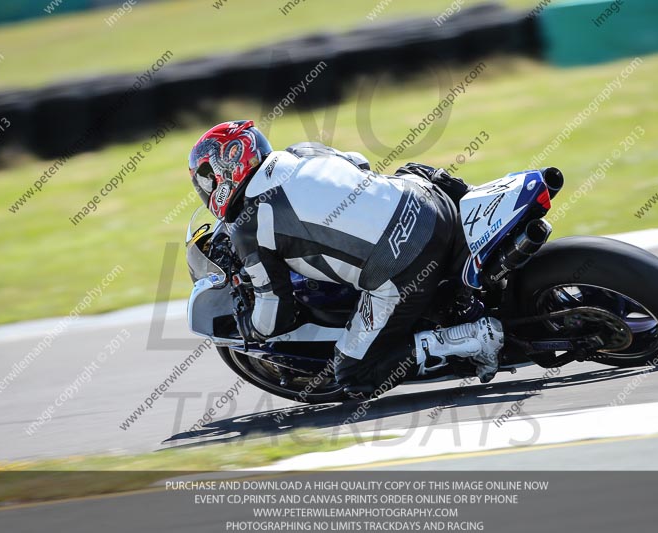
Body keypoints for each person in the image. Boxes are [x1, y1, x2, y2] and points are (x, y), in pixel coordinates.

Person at [188, 120, 503, 397]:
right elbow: (359, 165)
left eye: (205, 177)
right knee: (404, 172)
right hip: (429, 201)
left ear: (225, 170)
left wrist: (248, 327)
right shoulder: (300, 151)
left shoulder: (250, 227)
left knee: (355, 374)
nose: (205, 187)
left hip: (406, 264)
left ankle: (471, 338)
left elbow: (276, 312)